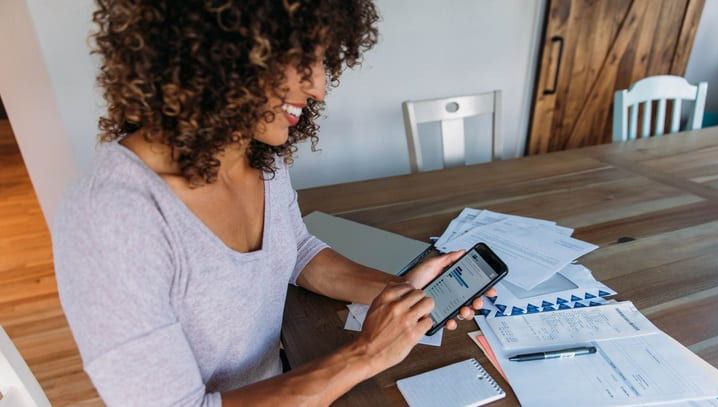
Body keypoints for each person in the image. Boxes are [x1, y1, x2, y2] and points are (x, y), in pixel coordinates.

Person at [51, 1, 494, 405]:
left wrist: (400, 293)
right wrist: (367, 353)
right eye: (301, 59)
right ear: (216, 48)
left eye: (322, 59)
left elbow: (296, 251)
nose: (319, 87)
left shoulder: (256, 154)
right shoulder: (109, 219)